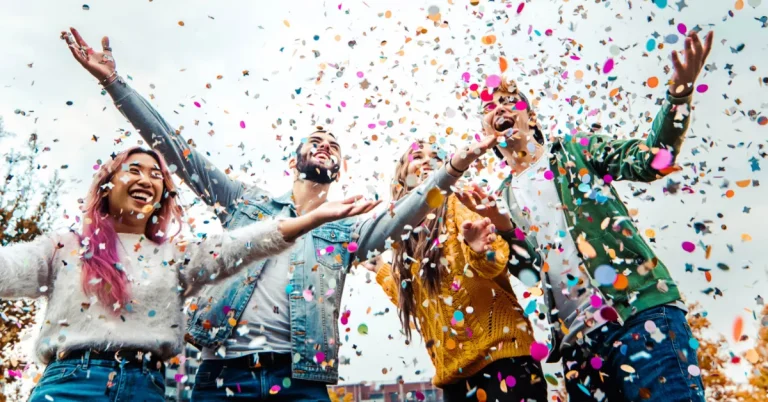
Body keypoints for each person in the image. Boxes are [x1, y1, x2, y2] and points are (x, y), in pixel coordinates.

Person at [61, 27, 497, 401]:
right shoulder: (243, 205)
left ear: (339, 168)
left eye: (334, 144)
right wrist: (115, 83)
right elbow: (179, 152)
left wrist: (453, 166)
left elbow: (404, 214)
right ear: (296, 160)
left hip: (301, 381)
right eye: (316, 139)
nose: (325, 144)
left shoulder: (346, 230)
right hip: (221, 374)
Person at [0, 147, 371, 402]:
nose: (147, 179)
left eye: (157, 175)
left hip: (146, 387)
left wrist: (312, 219)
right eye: (134, 170)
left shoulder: (174, 256)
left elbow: (242, 246)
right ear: (106, 185)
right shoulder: (63, 249)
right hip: (70, 384)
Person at [480, 31, 715, 401]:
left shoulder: (576, 151)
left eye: (511, 101)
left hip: (638, 318)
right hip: (579, 353)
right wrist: (505, 228)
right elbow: (529, 273)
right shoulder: (503, 199)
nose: (500, 108)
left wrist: (679, 95)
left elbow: (653, 159)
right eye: (490, 106)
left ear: (532, 116)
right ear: (484, 130)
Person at [365, 140, 547, 401]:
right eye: (418, 156)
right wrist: (382, 270)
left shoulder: (458, 203)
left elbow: (495, 262)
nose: (428, 160)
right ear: (401, 177)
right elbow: (421, 300)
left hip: (503, 360)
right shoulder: (405, 238)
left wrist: (479, 249)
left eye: (436, 157)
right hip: (454, 375)